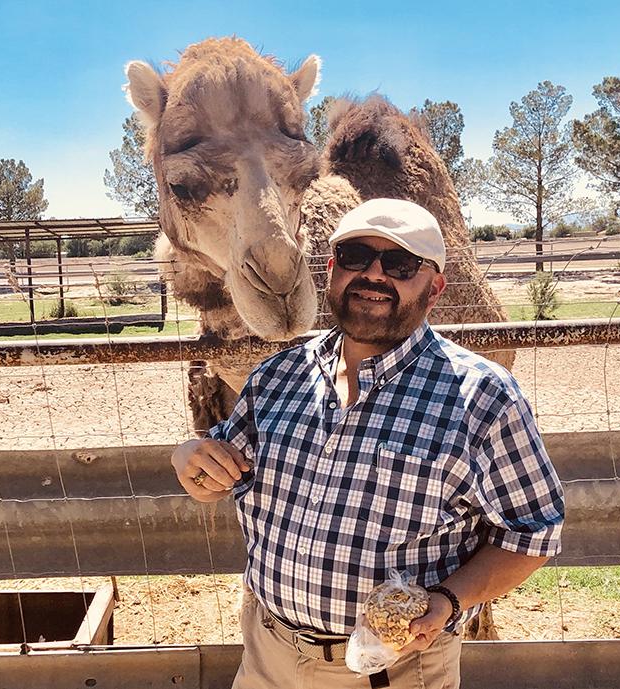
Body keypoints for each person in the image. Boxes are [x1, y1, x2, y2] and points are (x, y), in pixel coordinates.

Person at [170, 198, 566, 689]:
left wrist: (448, 600)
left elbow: (533, 535)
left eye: (400, 264)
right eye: (357, 256)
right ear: (333, 270)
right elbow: (215, 476)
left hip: (396, 667)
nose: (375, 274)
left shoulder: (482, 398)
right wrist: (189, 458)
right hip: (268, 656)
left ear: (435, 288)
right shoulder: (277, 377)